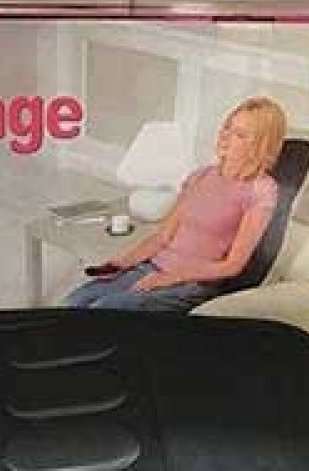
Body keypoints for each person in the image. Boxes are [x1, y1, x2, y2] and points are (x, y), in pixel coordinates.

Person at [64, 96, 286, 312]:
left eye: (239, 134)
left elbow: (232, 266)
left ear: (260, 146)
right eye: (227, 127)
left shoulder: (261, 190)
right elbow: (162, 237)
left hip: (192, 283)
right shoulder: (200, 176)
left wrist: (170, 278)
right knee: (73, 302)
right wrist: (122, 263)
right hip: (154, 267)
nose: (225, 136)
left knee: (105, 309)